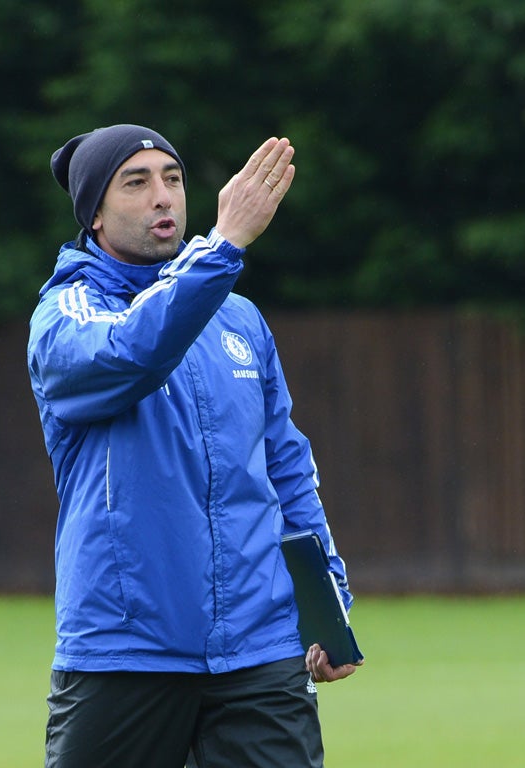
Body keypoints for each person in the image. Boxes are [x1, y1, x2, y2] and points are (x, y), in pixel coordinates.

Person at [26, 124, 360, 768]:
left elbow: (286, 469)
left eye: (173, 179)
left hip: (259, 651)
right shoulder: (66, 315)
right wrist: (223, 245)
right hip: (126, 650)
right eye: (137, 182)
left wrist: (327, 598)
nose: (164, 197)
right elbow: (132, 352)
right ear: (94, 214)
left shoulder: (239, 318)